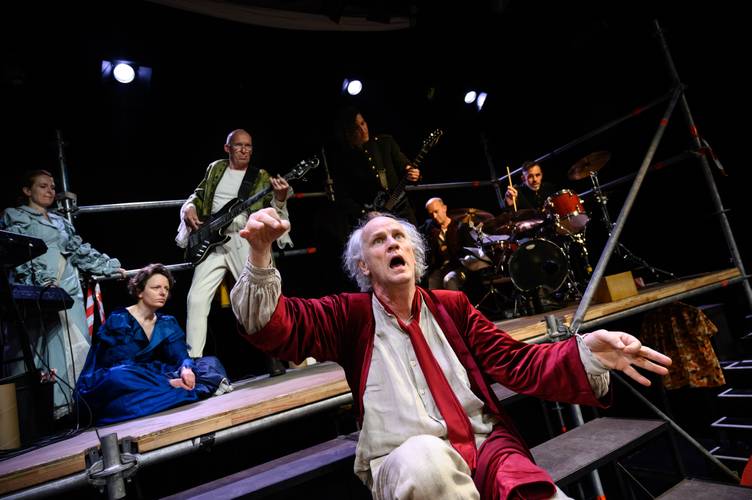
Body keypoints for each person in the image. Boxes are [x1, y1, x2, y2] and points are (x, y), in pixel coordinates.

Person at [230, 208, 672, 500]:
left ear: (414, 254)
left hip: (485, 446)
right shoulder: (350, 315)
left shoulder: (452, 306)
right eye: (379, 240)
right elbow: (274, 328)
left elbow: (518, 362)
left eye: (399, 236)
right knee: (428, 464)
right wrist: (260, 252)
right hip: (404, 457)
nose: (392, 243)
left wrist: (585, 351)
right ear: (364, 266)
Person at [1, 169, 125, 419]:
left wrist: (108, 267)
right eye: (43, 186)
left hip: (68, 291)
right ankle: (48, 410)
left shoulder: (60, 221)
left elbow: (78, 251)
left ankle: (76, 404)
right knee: (43, 347)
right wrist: (41, 283)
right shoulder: (15, 216)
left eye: (52, 186)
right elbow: (16, 254)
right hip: (39, 290)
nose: (50, 191)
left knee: (76, 346)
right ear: (27, 190)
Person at [175, 129, 292, 362]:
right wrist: (189, 207)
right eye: (239, 145)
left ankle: (276, 355)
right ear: (227, 148)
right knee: (196, 298)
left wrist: (280, 198)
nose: (244, 150)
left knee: (258, 298)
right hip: (213, 240)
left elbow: (273, 210)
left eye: (248, 146)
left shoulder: (260, 176)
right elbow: (199, 195)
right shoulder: (216, 169)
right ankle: (194, 362)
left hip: (244, 238)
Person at [75, 264, 231, 425]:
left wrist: (186, 369)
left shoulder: (166, 322)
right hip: (123, 379)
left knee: (210, 362)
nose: (163, 292)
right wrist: (167, 381)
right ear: (139, 291)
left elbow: (181, 355)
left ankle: (168, 393)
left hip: (153, 374)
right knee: (119, 377)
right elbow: (121, 364)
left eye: (166, 288)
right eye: (156, 287)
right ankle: (178, 391)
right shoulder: (120, 320)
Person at [330, 107, 421, 227]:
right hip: (374, 219)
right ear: (348, 133)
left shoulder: (385, 142)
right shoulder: (345, 160)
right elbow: (342, 197)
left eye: (363, 123)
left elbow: (405, 165)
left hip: (402, 210)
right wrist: (365, 213)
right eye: (356, 128)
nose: (363, 130)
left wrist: (414, 173)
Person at [419, 197, 474, 290]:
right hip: (441, 268)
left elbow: (470, 251)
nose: (434, 216)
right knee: (432, 281)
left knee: (449, 280)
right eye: (431, 214)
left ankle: (456, 300)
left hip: (459, 267)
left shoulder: (459, 227)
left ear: (444, 208)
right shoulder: (431, 229)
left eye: (436, 211)